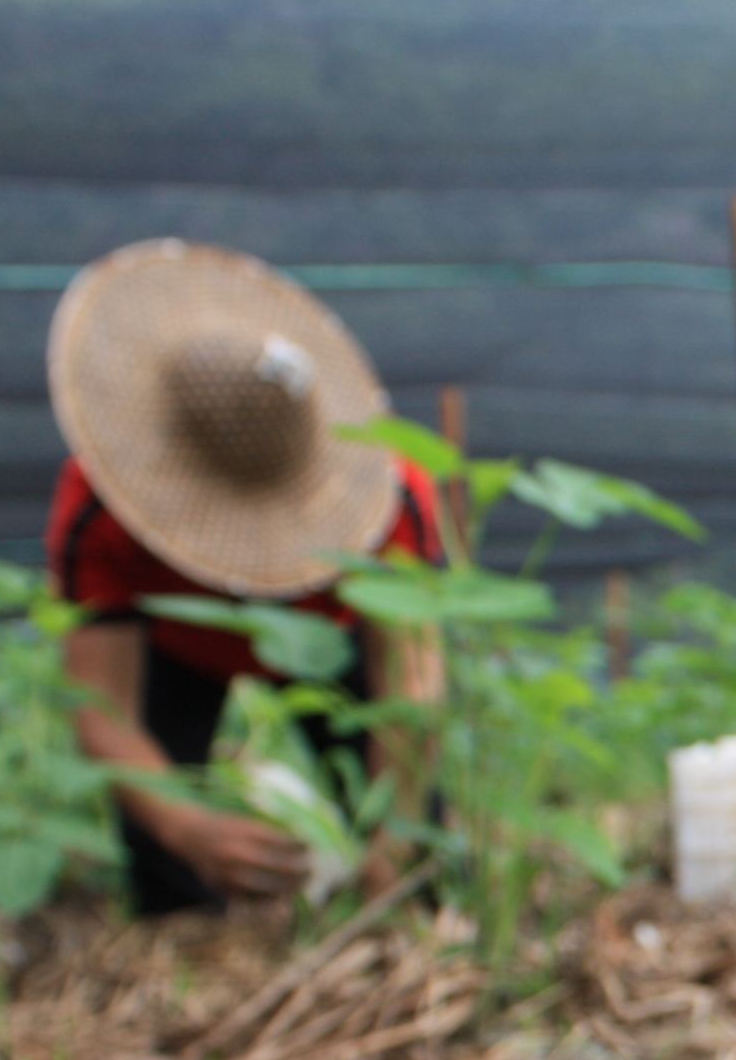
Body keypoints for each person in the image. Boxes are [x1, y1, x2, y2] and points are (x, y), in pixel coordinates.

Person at [44, 240, 446, 914]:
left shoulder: (389, 498)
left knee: (413, 841)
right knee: (165, 873)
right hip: (176, 651)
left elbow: (409, 685)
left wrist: (390, 846)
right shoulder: (102, 508)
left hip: (333, 642)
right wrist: (188, 829)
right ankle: (180, 927)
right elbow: (103, 706)